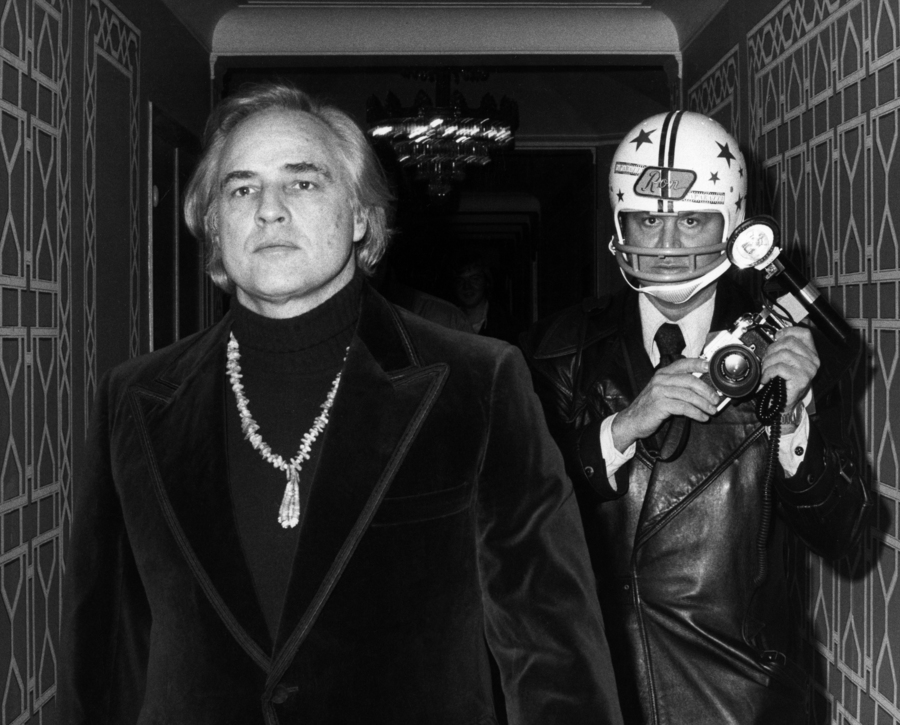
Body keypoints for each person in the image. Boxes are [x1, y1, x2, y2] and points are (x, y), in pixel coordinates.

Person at [58, 82, 623, 725]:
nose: (269, 210)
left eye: (302, 183)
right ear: (214, 225)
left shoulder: (478, 383)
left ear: (359, 216)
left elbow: (554, 658)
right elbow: (104, 660)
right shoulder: (133, 400)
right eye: (241, 190)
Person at [521, 111, 870, 725]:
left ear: (732, 224)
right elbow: (519, 519)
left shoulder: (793, 346)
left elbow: (848, 536)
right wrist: (623, 427)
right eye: (648, 220)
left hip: (737, 695)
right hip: (595, 682)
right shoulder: (560, 348)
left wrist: (792, 420)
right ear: (621, 223)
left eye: (690, 220)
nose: (667, 246)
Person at [453, 253, 522, 345]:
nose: (467, 286)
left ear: (486, 282)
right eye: (460, 281)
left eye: (474, 279)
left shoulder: (507, 326)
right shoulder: (446, 322)